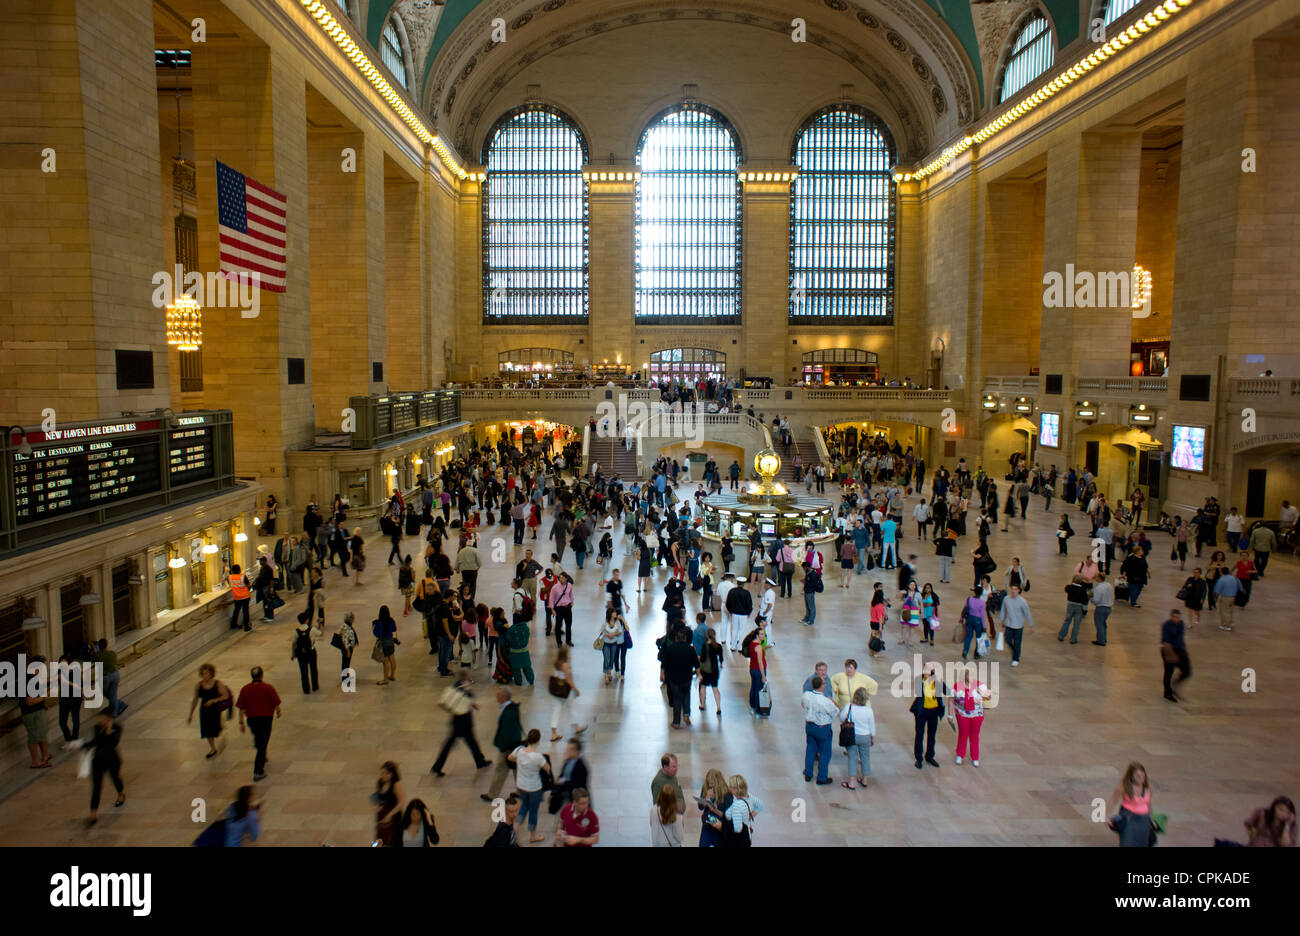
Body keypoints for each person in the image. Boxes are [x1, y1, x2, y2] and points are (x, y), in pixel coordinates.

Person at [431, 676, 493, 776]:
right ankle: (437, 766)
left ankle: (479, 761)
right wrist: (473, 703)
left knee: (465, 742)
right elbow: (468, 699)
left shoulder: (456, 686)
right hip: (464, 721)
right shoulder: (465, 686)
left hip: (457, 720)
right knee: (468, 742)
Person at [235, 667, 282, 781]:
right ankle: (258, 771)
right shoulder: (268, 688)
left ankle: (262, 752)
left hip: (252, 720)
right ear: (262, 675)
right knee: (263, 743)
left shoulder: (245, 689)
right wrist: (278, 711)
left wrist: (241, 722)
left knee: (258, 737)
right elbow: (275, 702)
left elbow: (241, 707)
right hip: (265, 719)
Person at [481, 687, 523, 803]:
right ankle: (521, 792)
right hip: (515, 744)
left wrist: (503, 749)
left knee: (501, 769)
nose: (496, 697)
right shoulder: (511, 707)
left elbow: (506, 731)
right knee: (516, 769)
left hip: (509, 746)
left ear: (504, 697)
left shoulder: (508, 712)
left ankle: (492, 794)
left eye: (498, 696)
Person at [508, 729, 551, 843]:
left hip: (521, 786)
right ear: (538, 741)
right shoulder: (538, 757)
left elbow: (510, 758)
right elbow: (547, 768)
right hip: (534, 788)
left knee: (523, 807)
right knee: (533, 811)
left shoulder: (519, 750)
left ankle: (515, 832)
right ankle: (533, 836)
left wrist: (519, 761)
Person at [83, 710, 125, 826]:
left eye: (103, 719)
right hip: (98, 761)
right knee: (97, 787)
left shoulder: (117, 728)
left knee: (115, 779)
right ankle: (93, 814)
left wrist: (108, 730)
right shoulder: (97, 727)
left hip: (112, 760)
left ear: (108, 719)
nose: (100, 721)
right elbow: (96, 741)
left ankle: (121, 794)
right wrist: (82, 745)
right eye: (100, 718)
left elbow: (113, 744)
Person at [909, 661, 952, 770]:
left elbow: (947, 692)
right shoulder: (920, 680)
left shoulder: (937, 680)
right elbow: (920, 693)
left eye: (931, 669)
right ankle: (918, 758)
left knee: (932, 735)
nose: (929, 671)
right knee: (919, 734)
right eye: (927, 669)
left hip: (934, 711)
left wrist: (940, 682)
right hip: (922, 711)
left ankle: (929, 756)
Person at [187, 663, 232, 759]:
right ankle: (213, 748)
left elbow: (225, 696)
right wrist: (191, 714)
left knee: (216, 728)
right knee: (207, 730)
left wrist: (213, 700)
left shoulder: (217, 683)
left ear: (211, 673)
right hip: (204, 710)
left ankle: (220, 729)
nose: (205, 676)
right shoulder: (198, 686)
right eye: (203, 674)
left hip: (215, 709)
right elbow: (195, 699)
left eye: (207, 673)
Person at [801, 675, 839, 785]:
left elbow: (803, 705)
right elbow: (835, 712)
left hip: (810, 725)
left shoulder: (806, 695)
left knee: (810, 749)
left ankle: (808, 773)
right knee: (825, 752)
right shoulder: (825, 701)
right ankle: (822, 777)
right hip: (822, 727)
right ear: (822, 686)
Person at [659, 627, 699, 730]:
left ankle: (676, 722)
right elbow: (696, 664)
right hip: (687, 677)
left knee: (677, 698)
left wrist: (662, 674)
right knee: (686, 694)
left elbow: (664, 663)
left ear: (676, 638)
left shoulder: (670, 649)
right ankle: (686, 714)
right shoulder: (690, 649)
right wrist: (699, 674)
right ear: (685, 638)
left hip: (674, 677)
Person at [952, 663, 991, 767]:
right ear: (964, 675)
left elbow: (989, 697)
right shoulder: (957, 686)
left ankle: (975, 757)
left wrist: (984, 694)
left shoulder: (979, 685)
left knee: (974, 736)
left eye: (973, 674)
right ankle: (960, 755)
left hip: (977, 715)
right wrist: (950, 715)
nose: (972, 677)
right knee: (963, 735)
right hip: (962, 715)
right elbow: (951, 700)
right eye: (970, 675)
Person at [1108, 763, 1155, 847]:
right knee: (1127, 842)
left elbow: (1148, 803)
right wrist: (1105, 815)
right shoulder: (1123, 787)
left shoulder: (1148, 788)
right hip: (1129, 818)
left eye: (1143, 776)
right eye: (1138, 776)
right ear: (1131, 776)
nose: (1141, 779)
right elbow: (1113, 800)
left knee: (1142, 843)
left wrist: (1151, 818)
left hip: (1143, 820)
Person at [838, 687, 875, 790]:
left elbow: (841, 718)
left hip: (851, 736)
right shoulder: (869, 710)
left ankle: (852, 782)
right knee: (865, 758)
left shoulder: (849, 707)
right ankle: (864, 780)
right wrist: (872, 737)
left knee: (852, 758)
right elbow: (872, 726)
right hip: (865, 736)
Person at [548, 646, 586, 742]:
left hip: (555, 691)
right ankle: (576, 728)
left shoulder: (556, 663)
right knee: (571, 708)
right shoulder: (565, 664)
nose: (570, 654)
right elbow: (568, 679)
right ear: (565, 654)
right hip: (565, 691)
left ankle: (553, 734)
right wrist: (576, 689)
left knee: (556, 711)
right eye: (568, 652)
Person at [20, 659, 50, 768]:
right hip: (32, 713)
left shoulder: (34, 679)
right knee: (33, 737)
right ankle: (36, 761)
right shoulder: (28, 680)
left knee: (41, 734)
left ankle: (44, 756)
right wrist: (44, 696)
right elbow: (29, 701)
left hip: (37, 712)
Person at [550, 737, 590, 816]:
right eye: (567, 749)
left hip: (575, 800)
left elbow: (577, 784)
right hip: (566, 795)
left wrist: (561, 781)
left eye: (570, 749)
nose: (567, 751)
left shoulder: (581, 767)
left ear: (577, 751)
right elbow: (563, 774)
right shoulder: (568, 760)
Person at [372, 761, 405, 846]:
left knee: (393, 840)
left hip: (393, 816)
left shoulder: (397, 784)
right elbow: (375, 796)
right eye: (382, 773)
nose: (383, 775)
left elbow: (401, 803)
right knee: (380, 838)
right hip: (382, 815)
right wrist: (376, 805)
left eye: (386, 773)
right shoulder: (380, 782)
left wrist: (390, 815)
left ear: (392, 774)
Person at [1161, 609, 1190, 702]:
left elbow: (1181, 638)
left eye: (1178, 617)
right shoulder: (1166, 625)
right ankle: (1167, 692)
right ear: (1171, 617)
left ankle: (1174, 685)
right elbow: (1166, 641)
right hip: (1168, 650)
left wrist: (1184, 650)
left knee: (1187, 671)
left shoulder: (1181, 624)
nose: (1177, 619)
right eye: (1175, 617)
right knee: (1168, 672)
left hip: (1180, 650)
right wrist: (1171, 655)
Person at [697, 769, 732, 847]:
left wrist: (715, 810)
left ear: (718, 782)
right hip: (707, 824)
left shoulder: (727, 794)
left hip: (719, 827)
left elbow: (728, 817)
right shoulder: (706, 787)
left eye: (712, 783)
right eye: (708, 782)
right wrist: (706, 799)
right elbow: (700, 807)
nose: (710, 785)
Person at [290, 611, 321, 695]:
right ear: (307, 620)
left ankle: (306, 689)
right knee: (313, 669)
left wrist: (293, 654)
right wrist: (319, 624)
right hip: (311, 652)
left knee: (303, 672)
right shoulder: (312, 629)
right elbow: (320, 634)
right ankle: (315, 686)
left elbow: (293, 643)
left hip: (301, 654)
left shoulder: (296, 631)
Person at [92, 639, 125, 717]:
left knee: (106, 693)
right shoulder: (112, 653)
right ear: (107, 645)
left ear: (99, 646)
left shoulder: (97, 655)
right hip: (115, 674)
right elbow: (116, 662)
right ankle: (118, 707)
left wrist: (94, 649)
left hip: (106, 677)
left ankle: (116, 710)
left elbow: (96, 661)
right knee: (113, 694)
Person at [722, 774, 756, 847]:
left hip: (738, 843)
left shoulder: (737, 805)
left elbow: (737, 828)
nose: (729, 788)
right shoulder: (746, 800)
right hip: (746, 839)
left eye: (730, 786)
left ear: (736, 789)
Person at [697, 627, 724, 715]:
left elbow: (703, 659)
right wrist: (720, 663)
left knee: (703, 687)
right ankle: (719, 707)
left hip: (706, 670)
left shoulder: (705, 646)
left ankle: (703, 704)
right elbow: (721, 658)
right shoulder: (718, 646)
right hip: (715, 670)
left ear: (707, 636)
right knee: (715, 688)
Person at [745, 624, 769, 715]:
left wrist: (765, 647)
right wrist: (763, 676)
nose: (763, 636)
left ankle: (752, 706)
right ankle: (758, 710)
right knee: (759, 690)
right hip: (759, 671)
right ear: (757, 635)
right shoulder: (758, 647)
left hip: (752, 669)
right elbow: (760, 662)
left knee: (753, 687)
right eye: (762, 634)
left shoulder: (752, 643)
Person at [1058, 576, 1090, 645]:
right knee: (1076, 624)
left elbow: (1066, 589)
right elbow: (1085, 601)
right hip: (1078, 607)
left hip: (1070, 606)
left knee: (1067, 621)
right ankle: (1073, 639)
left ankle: (1061, 635)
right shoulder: (1082, 590)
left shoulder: (1069, 588)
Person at [725, 577, 753, 652]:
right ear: (744, 584)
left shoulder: (732, 591)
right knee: (742, 630)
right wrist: (749, 612)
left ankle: (733, 646)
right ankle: (740, 647)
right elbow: (749, 604)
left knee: (734, 630)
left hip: (734, 614)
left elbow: (728, 603)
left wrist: (731, 611)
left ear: (737, 583)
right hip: (743, 615)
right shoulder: (746, 593)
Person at [372, 605, 398, 685]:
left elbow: (377, 634)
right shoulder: (391, 621)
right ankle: (392, 675)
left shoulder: (379, 623)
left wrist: (373, 628)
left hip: (383, 642)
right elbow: (394, 629)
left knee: (385, 662)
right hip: (390, 641)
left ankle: (385, 679)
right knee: (392, 658)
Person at [1089, 573, 1113, 646]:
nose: (1095, 578)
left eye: (1096, 577)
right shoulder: (1109, 585)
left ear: (1099, 578)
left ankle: (1101, 641)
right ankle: (1104, 638)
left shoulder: (1098, 588)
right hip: (1108, 607)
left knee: (1099, 624)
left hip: (1101, 608)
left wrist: (1090, 596)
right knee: (1103, 624)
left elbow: (1096, 600)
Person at [333, 611, 358, 678]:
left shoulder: (345, 625)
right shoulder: (346, 627)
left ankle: (346, 675)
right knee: (346, 663)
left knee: (346, 663)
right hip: (347, 648)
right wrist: (348, 651)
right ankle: (345, 677)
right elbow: (345, 640)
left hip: (347, 647)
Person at [229, 564, 252, 631]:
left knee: (236, 611)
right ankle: (246, 626)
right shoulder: (243, 577)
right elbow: (248, 585)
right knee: (245, 611)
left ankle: (233, 624)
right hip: (245, 596)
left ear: (232, 571)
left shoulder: (230, 577)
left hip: (237, 597)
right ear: (239, 570)